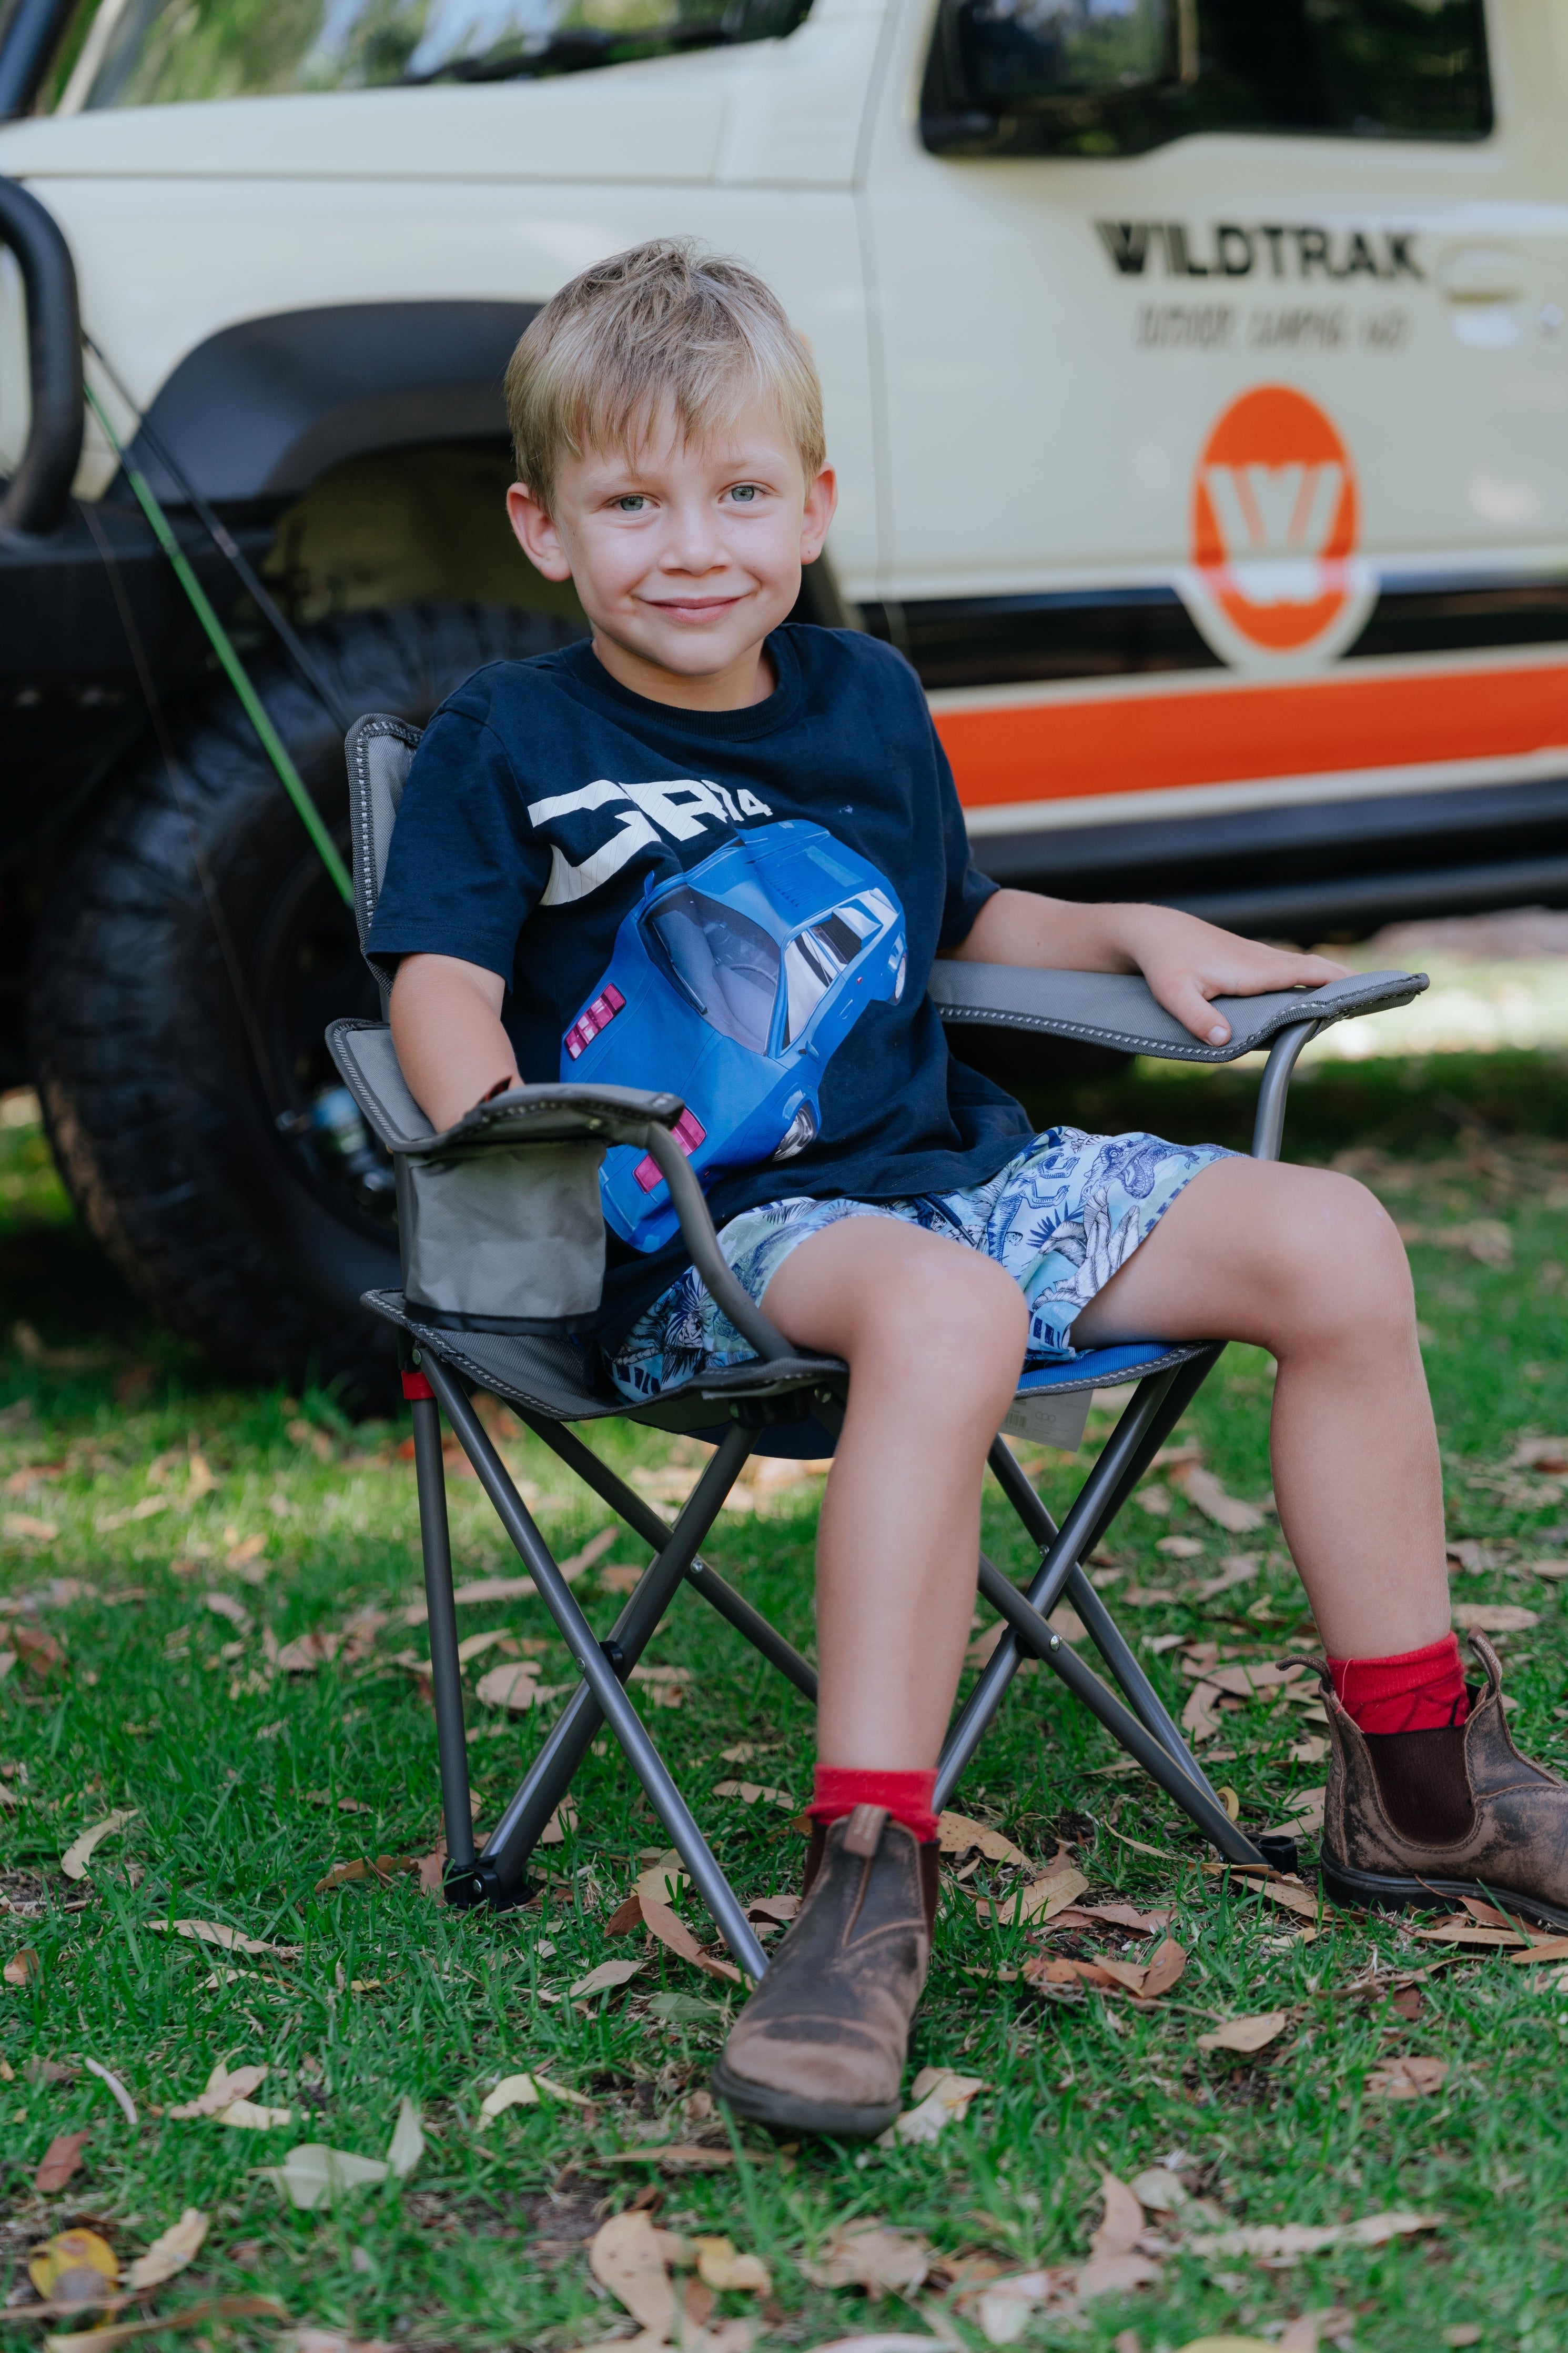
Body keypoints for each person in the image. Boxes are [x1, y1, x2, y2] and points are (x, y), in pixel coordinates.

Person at [368, 237, 1568, 2140]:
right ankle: (865, 1875)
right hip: (702, 1236)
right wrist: (516, 1121)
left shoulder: (861, 697)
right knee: (951, 1310)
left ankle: (1422, 1782)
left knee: (1331, 1238)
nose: (694, 546)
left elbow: (961, 922)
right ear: (542, 527)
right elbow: (433, 978)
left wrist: (1132, 929)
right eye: (632, 503)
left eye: (742, 493)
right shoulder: (504, 744)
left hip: (954, 1182)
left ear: (815, 505)